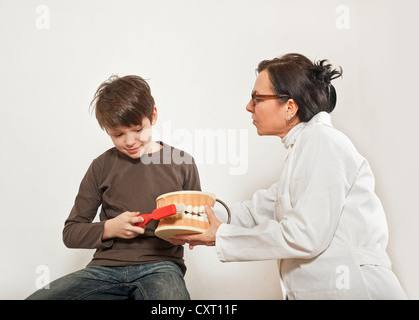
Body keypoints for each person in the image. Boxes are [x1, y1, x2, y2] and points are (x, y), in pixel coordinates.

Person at [173, 53, 407, 300]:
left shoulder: (323, 142)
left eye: (257, 98)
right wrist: (192, 215)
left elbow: (304, 235)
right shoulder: (304, 149)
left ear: (290, 107)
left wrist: (220, 236)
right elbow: (255, 212)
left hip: (358, 290)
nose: (248, 106)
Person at [26, 75, 201, 300]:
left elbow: (196, 223)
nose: (129, 141)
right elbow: (71, 233)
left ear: (153, 116)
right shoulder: (101, 166)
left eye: (138, 129)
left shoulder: (182, 163)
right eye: (118, 134)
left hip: (161, 267)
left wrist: (190, 231)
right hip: (104, 269)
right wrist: (110, 228)